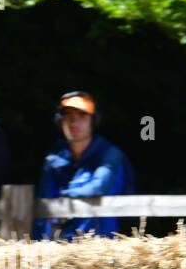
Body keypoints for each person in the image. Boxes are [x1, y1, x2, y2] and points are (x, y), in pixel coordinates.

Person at [34, 91, 136, 240]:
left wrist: (66, 195)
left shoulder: (110, 154)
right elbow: (43, 206)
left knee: (85, 179)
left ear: (93, 121)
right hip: (59, 247)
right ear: (59, 121)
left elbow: (98, 187)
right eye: (67, 116)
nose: (73, 122)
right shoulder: (54, 160)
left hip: (100, 243)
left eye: (81, 116)